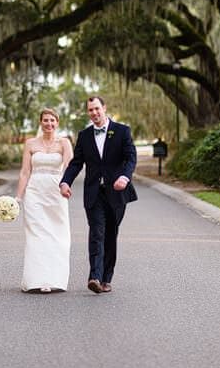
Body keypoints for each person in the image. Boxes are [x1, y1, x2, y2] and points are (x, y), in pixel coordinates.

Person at [60, 96, 138, 294]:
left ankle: (106, 278)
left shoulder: (122, 131)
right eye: (90, 110)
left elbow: (130, 158)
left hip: (117, 192)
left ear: (104, 108)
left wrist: (125, 177)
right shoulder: (84, 135)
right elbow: (77, 162)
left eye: (97, 109)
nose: (94, 113)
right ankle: (94, 276)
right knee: (97, 233)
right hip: (94, 194)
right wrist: (65, 181)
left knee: (110, 235)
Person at [16, 108, 73, 293]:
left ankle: (54, 278)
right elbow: (25, 172)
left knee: (57, 235)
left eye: (52, 120)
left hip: (56, 193)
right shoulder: (30, 143)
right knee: (36, 234)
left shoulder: (64, 143)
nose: (49, 124)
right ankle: (36, 280)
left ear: (57, 122)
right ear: (40, 122)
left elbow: (70, 167)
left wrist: (66, 184)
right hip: (34, 192)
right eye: (45, 120)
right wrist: (18, 196)